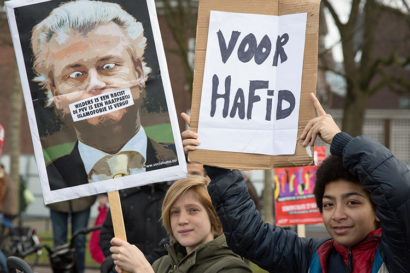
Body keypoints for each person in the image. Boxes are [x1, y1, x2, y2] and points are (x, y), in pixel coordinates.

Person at [180, 93, 410, 273]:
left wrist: (340, 140)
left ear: (378, 211)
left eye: (352, 203)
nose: (338, 214)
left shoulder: (398, 252)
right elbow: (250, 236)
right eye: (329, 204)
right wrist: (216, 163)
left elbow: (398, 189)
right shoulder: (311, 257)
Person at [30, 0, 178, 190]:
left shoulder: (179, 161)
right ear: (55, 93)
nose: (95, 84)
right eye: (76, 75)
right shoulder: (56, 179)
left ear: (139, 73)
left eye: (108, 66)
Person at [109, 176, 251, 273]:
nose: (182, 220)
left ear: (213, 217)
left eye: (193, 210)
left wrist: (143, 269)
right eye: (175, 212)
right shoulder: (162, 264)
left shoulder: (231, 268)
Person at [89, 194, 108, 264]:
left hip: (103, 247)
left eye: (103, 197)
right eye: (100, 197)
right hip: (99, 246)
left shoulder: (106, 213)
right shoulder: (100, 213)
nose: (101, 199)